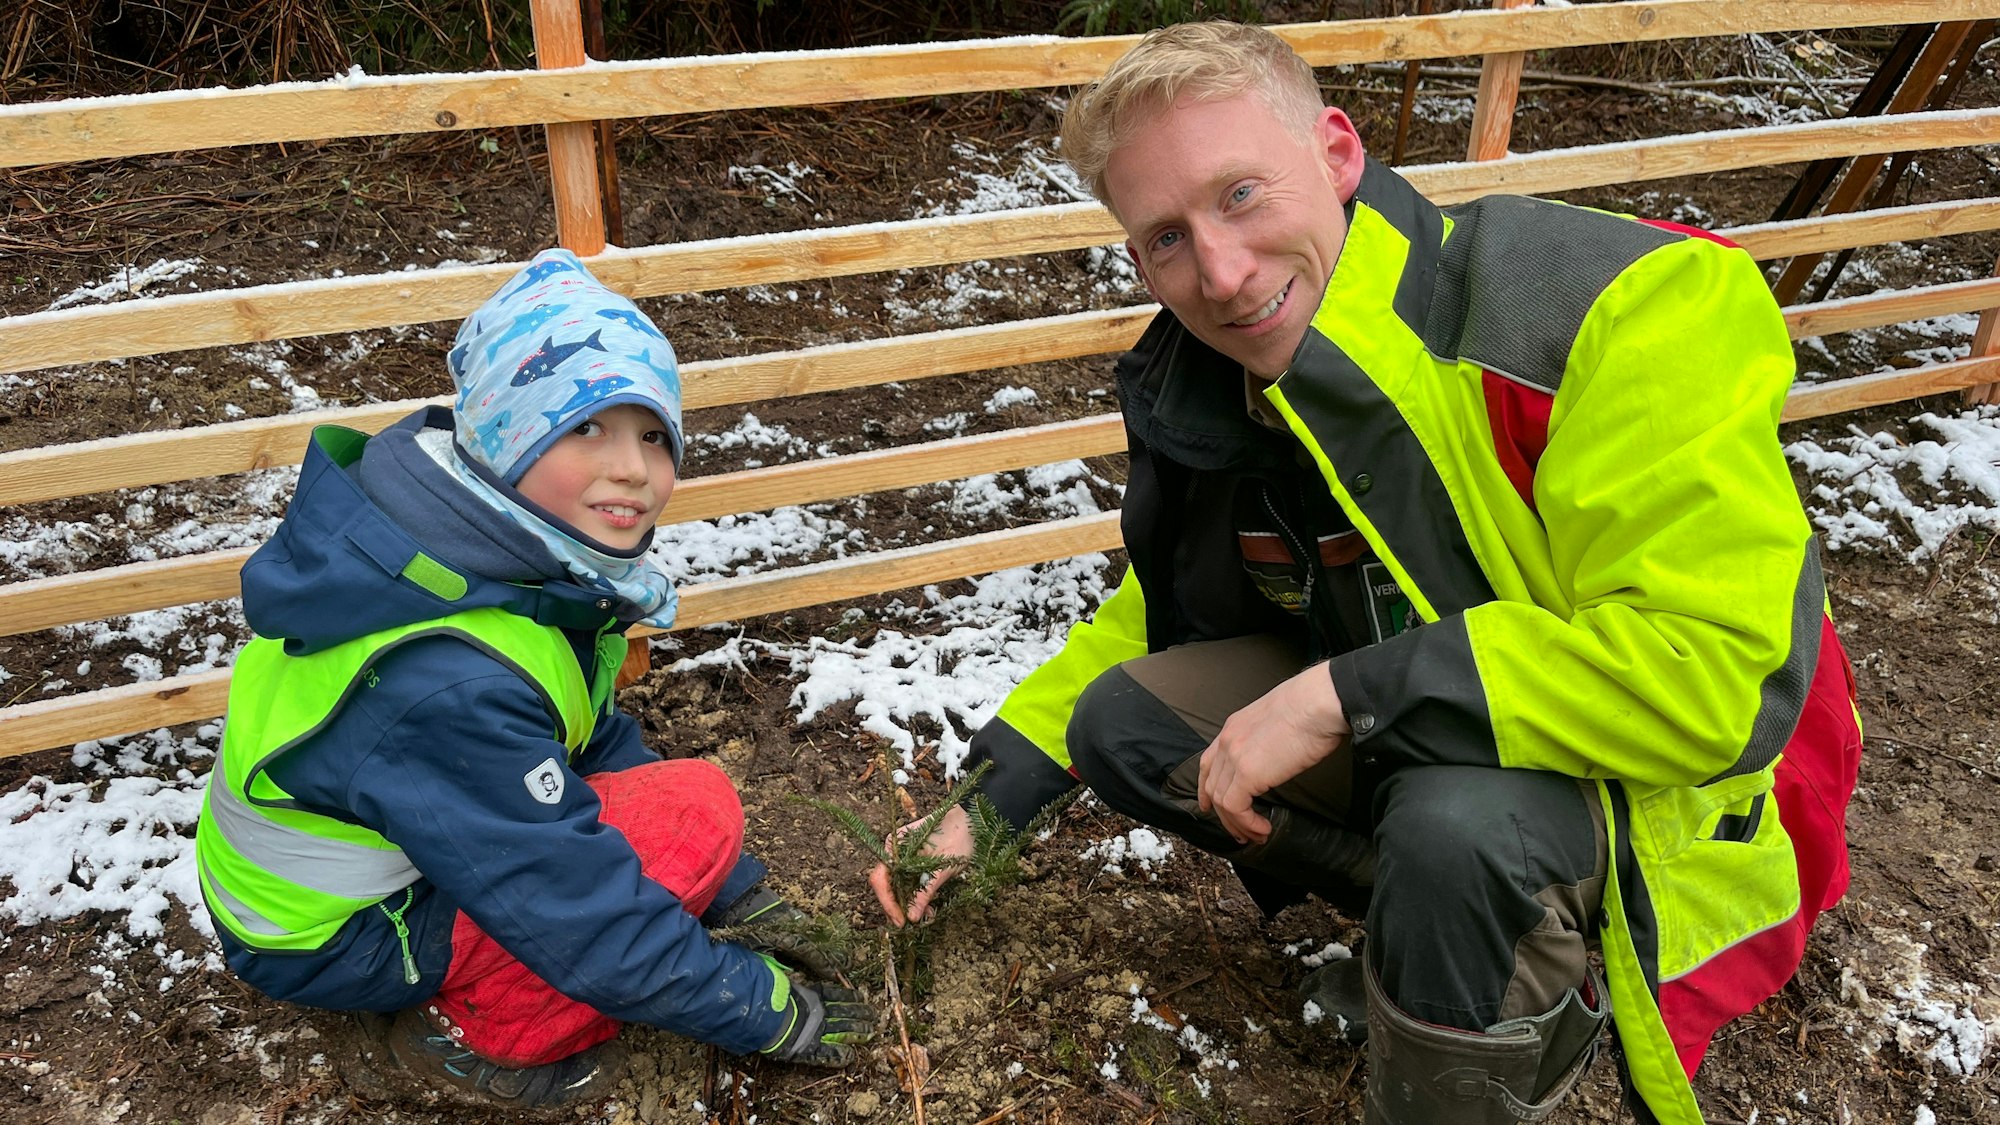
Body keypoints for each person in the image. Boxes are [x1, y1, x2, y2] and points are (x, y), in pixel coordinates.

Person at [869, 21, 1861, 1125]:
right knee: (1126, 724)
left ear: (1338, 154)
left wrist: (1340, 695)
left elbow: (1706, 677)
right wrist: (986, 802)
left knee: (1454, 825)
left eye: (1240, 194)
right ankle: (1455, 941)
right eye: (1162, 238)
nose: (1220, 274)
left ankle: (1516, 1005)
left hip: (1654, 798)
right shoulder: (1225, 380)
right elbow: (1158, 605)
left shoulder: (1618, 306)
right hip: (1445, 730)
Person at [195, 248, 873, 1111]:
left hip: (335, 881)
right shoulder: (449, 676)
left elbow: (579, 739)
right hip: (335, 936)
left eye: (653, 434)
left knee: (688, 828)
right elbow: (577, 914)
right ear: (508, 434)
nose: (634, 467)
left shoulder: (481, 560)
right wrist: (770, 1011)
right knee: (694, 815)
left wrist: (735, 891)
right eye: (586, 426)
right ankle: (463, 1036)